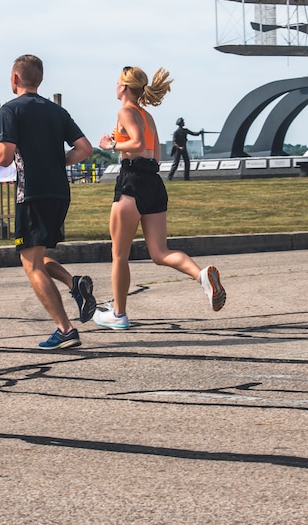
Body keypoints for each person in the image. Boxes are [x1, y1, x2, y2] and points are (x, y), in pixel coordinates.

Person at [0, 54, 96, 350]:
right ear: (39, 80)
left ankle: (65, 330)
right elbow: (85, 148)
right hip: (59, 193)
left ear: (14, 78)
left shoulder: (12, 109)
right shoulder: (56, 111)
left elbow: (3, 157)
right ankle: (73, 283)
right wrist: (58, 162)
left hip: (33, 193)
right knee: (35, 255)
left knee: (30, 263)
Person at [94, 66, 225, 330]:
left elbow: (138, 145)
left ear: (125, 88)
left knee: (119, 254)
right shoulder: (147, 115)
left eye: (118, 81)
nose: (115, 85)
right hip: (153, 183)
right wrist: (123, 140)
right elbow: (155, 156)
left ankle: (118, 314)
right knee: (160, 252)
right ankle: (201, 276)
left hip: (131, 183)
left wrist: (112, 145)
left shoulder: (125, 111)